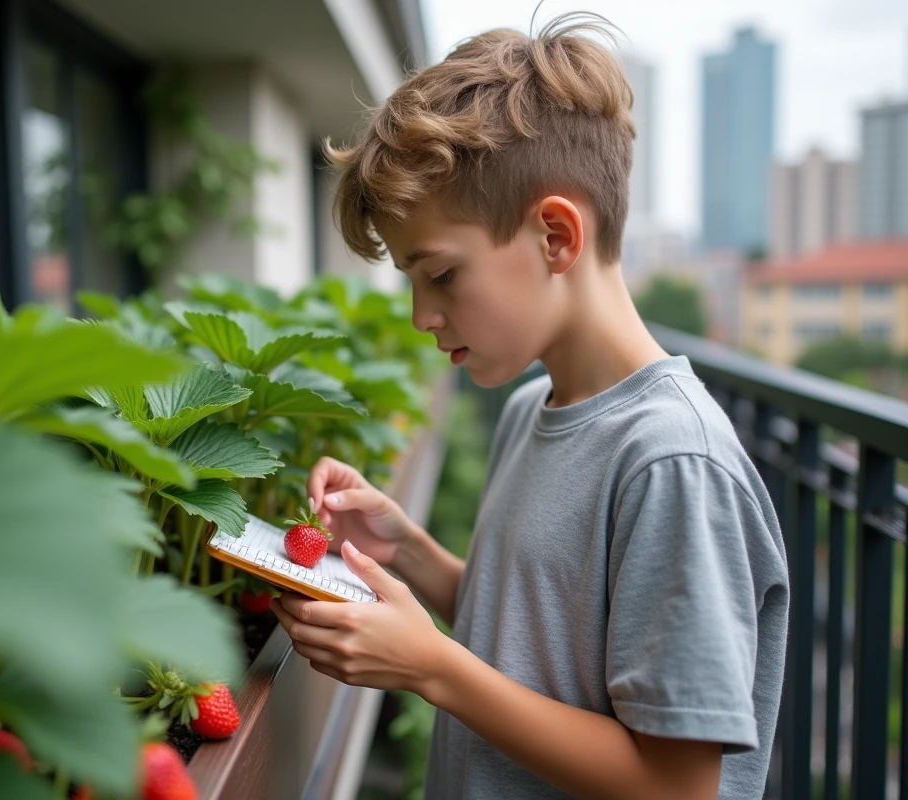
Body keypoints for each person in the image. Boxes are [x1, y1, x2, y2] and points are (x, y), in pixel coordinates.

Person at [269, 12, 789, 799]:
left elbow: (678, 785)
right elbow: (545, 635)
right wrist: (406, 549)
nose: (420, 316)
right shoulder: (532, 408)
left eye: (440, 276)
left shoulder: (674, 463)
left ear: (555, 236)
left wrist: (433, 669)